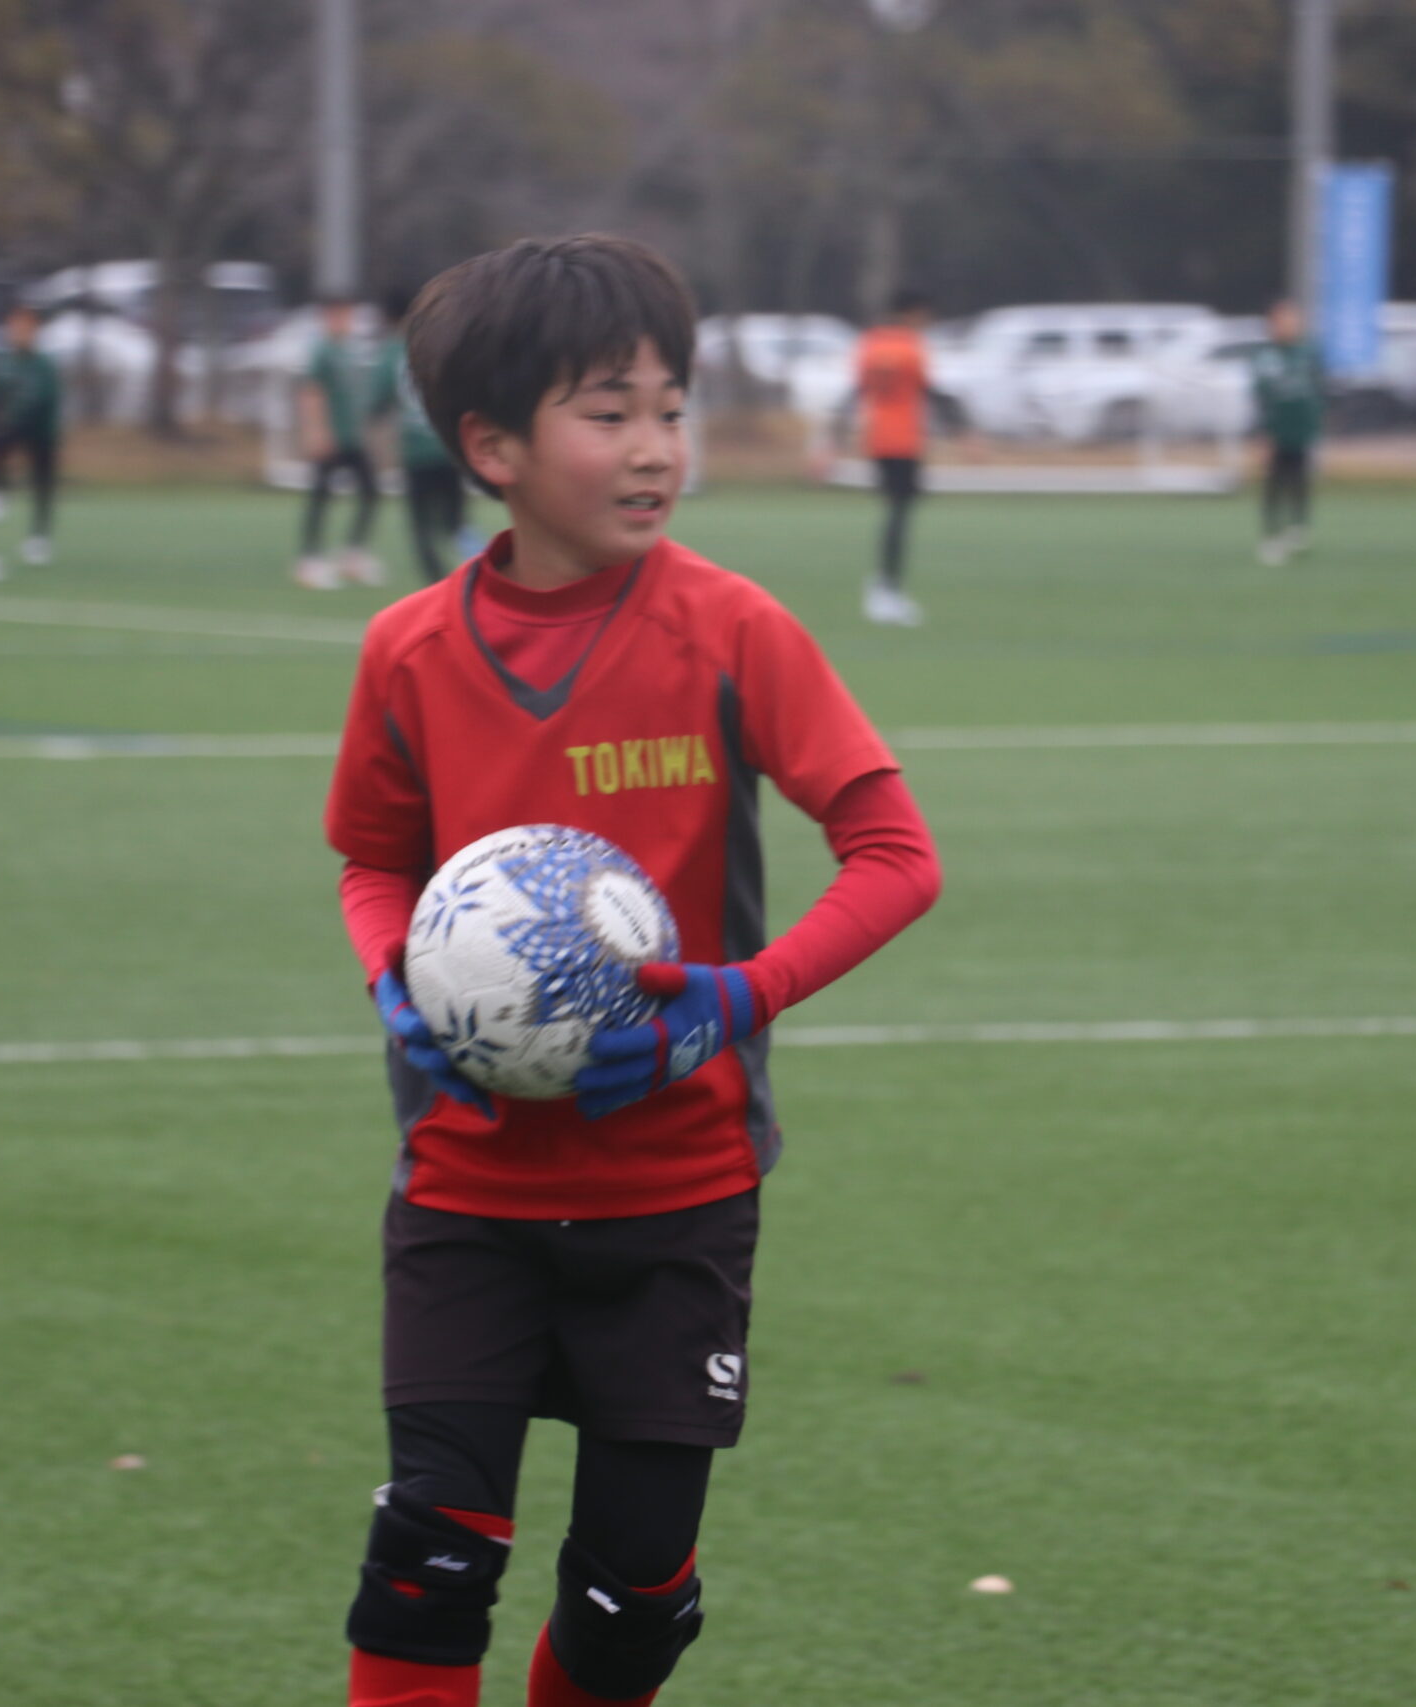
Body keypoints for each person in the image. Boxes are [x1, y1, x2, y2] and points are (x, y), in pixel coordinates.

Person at [322, 233, 940, 1707]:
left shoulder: (730, 630)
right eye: (609, 413)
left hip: (675, 1194)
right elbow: (372, 864)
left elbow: (896, 853)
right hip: (467, 1185)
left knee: (631, 1599)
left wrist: (738, 997)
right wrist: (393, 976)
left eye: (672, 406)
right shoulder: (408, 651)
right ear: (492, 448)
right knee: (426, 1556)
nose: (658, 446)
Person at [377, 291, 481, 584]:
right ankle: (483, 568)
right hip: (448, 448)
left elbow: (378, 398)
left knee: (421, 526)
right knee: (456, 522)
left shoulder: (391, 353)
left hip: (416, 455)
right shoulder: (438, 348)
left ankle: (436, 582)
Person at [850, 288, 940, 626]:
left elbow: (858, 390)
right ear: (914, 312)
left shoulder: (869, 343)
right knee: (900, 514)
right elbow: (927, 390)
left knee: (894, 510)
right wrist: (965, 429)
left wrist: (832, 437)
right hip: (905, 438)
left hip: (877, 437)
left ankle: (885, 586)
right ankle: (887, 587)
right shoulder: (911, 347)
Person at [297, 296, 386, 590]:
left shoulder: (349, 351)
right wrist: (317, 432)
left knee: (371, 491)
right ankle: (309, 560)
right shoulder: (321, 351)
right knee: (321, 497)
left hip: (352, 437)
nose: (344, 320)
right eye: (339, 315)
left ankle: (353, 555)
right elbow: (311, 392)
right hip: (331, 436)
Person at [0, 304, 63, 565]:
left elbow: (44, 399)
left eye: (25, 329)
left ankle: (39, 537)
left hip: (41, 430)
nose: (19, 333)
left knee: (43, 484)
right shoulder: (3, 362)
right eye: (15, 328)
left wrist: (15, 416)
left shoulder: (43, 365)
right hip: (11, 425)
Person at [1248, 297, 1325, 566]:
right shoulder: (1265, 356)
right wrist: (1262, 433)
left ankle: (1298, 528)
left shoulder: (1308, 353)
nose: (1289, 325)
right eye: (1282, 320)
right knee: (1274, 483)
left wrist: (1319, 424)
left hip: (1302, 429)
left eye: (1293, 319)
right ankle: (1271, 534)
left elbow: (1320, 390)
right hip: (1276, 431)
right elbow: (1260, 396)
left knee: (1300, 479)